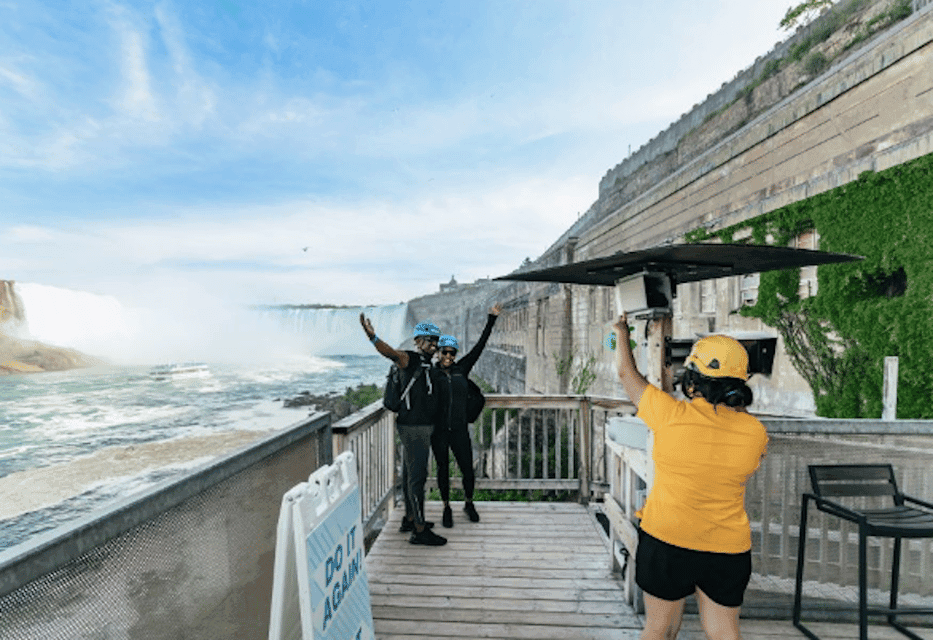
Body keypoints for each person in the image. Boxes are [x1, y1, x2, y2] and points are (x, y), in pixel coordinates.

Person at [612, 312, 768, 640]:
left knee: (660, 630)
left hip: (667, 539)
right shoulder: (755, 432)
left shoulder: (668, 414)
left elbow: (627, 373)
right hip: (726, 547)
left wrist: (620, 333)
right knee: (724, 632)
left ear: (692, 378)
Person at [360, 314, 448, 546]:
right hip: (413, 427)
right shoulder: (409, 359)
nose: (434, 344)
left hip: (421, 427)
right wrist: (373, 337)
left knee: (410, 475)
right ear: (417, 341)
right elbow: (390, 352)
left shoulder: (430, 363)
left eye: (436, 340)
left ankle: (410, 518)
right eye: (429, 339)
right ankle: (419, 531)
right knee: (417, 478)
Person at [432, 303, 500, 528]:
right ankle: (446, 507)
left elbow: (480, 345)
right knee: (443, 469)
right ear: (439, 353)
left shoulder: (462, 369)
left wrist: (491, 319)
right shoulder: (431, 374)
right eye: (445, 352)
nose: (449, 356)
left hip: (460, 430)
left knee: (467, 470)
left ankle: (469, 504)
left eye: (452, 353)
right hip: (439, 431)